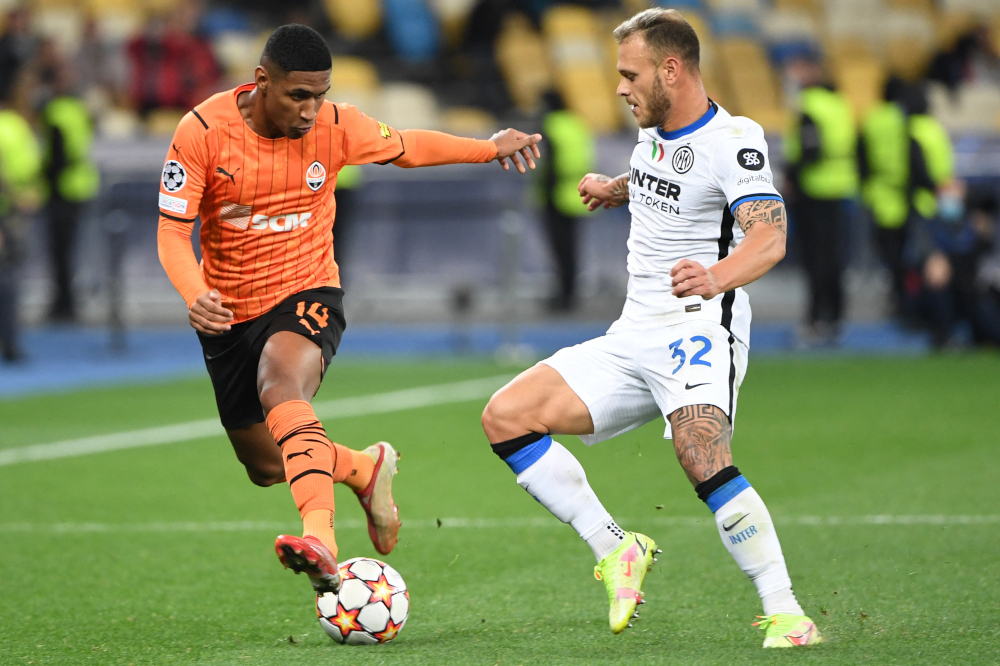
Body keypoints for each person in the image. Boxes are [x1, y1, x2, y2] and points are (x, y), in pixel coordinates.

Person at [157, 24, 542, 595]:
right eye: (298, 96)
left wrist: (488, 147)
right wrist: (196, 295)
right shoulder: (203, 132)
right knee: (265, 465)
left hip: (306, 292)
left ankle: (321, 541)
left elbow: (409, 147)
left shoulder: (336, 126)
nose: (310, 110)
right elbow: (172, 232)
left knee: (281, 386)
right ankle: (364, 468)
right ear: (261, 81)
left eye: (320, 95)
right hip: (227, 311)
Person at [480, 9, 821, 647]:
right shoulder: (653, 133)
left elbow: (769, 236)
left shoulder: (733, 140)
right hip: (633, 331)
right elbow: (665, 179)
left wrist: (717, 276)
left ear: (671, 69)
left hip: (699, 325)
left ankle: (787, 613)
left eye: (630, 75)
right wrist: (616, 188)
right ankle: (617, 548)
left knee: (699, 451)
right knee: (507, 417)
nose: (619, 88)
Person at [783, 53, 858, 345]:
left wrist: (791, 177)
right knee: (835, 257)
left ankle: (815, 319)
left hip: (814, 190)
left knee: (815, 260)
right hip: (841, 188)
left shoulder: (809, 106)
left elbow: (809, 150)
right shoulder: (840, 104)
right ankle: (836, 317)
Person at [37, 40, 100, 322]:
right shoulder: (78, 108)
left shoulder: (55, 112)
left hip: (63, 188)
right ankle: (67, 301)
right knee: (71, 250)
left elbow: (56, 156)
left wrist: (41, 178)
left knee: (60, 252)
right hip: (82, 184)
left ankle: (64, 303)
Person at [539, 89, 594, 311]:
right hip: (578, 193)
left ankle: (563, 295)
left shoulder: (550, 125)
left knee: (560, 250)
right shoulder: (576, 123)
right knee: (572, 249)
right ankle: (571, 292)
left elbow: (549, 164)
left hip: (556, 196)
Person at [0, 91, 42, 361]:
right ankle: (10, 343)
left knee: (8, 278)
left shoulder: (14, 126)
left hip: (9, 212)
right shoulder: (16, 125)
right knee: (7, 280)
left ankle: (10, 341)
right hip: (10, 213)